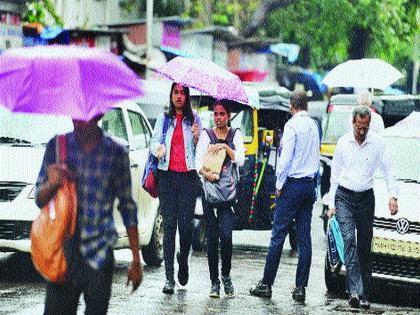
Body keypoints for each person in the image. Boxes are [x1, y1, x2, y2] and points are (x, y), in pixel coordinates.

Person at [35, 115, 142, 314]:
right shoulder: (57, 147)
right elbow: (39, 199)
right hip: (63, 254)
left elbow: (128, 207)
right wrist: (52, 183)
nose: (78, 121)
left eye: (84, 116)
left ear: (98, 114)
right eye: (75, 114)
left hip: (99, 253)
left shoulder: (115, 153)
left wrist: (136, 259)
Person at [249, 90, 320, 302]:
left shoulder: (291, 126)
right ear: (305, 105)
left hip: (292, 185)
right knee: (304, 238)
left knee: (278, 235)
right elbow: (315, 158)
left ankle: (266, 283)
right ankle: (300, 288)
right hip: (308, 185)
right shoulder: (314, 126)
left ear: (292, 106)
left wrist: (279, 185)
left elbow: (285, 159)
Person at [327, 106, 398, 309]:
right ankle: (354, 291)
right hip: (344, 197)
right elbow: (334, 176)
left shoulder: (377, 143)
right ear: (353, 123)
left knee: (365, 245)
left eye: (365, 128)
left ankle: (365, 293)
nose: (361, 131)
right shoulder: (343, 143)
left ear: (369, 125)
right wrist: (331, 203)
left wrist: (393, 195)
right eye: (359, 127)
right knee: (349, 240)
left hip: (366, 198)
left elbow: (388, 169)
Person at [150, 82, 201, 294]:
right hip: (167, 177)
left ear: (187, 97)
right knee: (170, 226)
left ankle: (183, 260)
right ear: (171, 96)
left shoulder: (195, 120)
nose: (179, 96)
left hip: (188, 178)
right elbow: (153, 143)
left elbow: (202, 150)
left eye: (183, 93)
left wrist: (198, 138)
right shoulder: (163, 119)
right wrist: (158, 150)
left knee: (186, 227)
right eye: (176, 93)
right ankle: (169, 278)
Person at [196, 100, 245, 298]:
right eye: (216, 114)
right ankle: (214, 282)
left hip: (227, 197)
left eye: (222, 114)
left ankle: (226, 275)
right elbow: (198, 163)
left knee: (226, 236)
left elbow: (240, 159)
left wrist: (225, 146)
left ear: (229, 115)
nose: (218, 118)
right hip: (210, 194)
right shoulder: (206, 135)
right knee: (211, 239)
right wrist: (206, 173)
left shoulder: (236, 135)